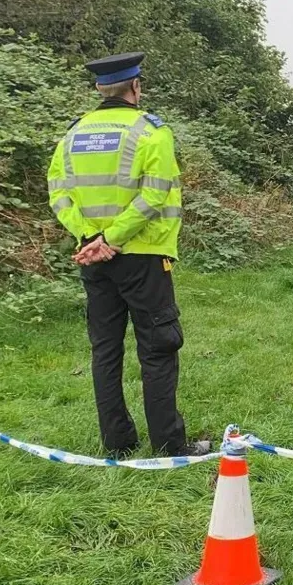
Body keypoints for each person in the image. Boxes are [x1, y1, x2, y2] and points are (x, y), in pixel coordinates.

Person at [46, 52, 209, 458]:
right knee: (158, 346)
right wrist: (114, 238)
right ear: (136, 87)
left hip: (94, 257)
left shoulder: (73, 134)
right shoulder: (152, 131)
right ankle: (170, 445)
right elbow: (155, 193)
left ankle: (117, 444)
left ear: (100, 89)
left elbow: (58, 193)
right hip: (144, 255)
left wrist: (91, 238)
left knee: (105, 349)